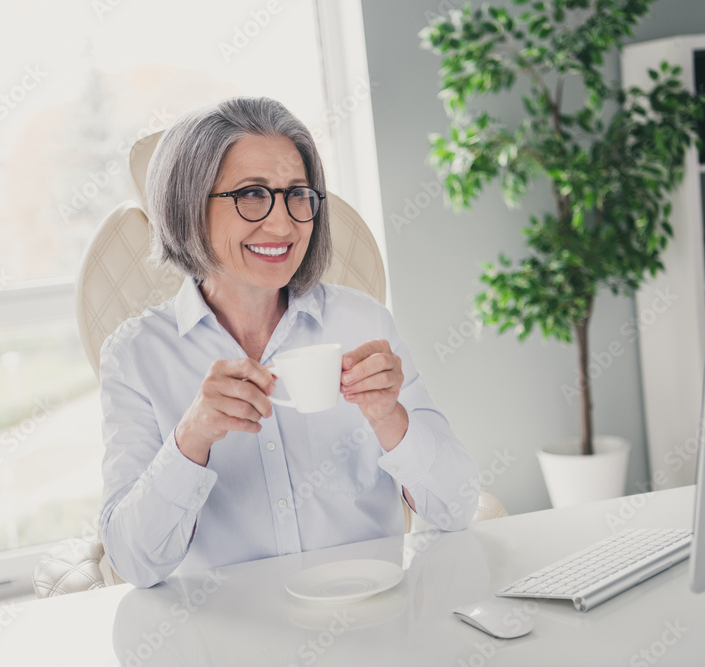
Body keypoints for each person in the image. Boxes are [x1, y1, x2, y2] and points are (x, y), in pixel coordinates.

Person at [99, 97, 480, 587]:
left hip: (371, 630)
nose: (283, 225)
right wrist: (191, 437)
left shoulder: (362, 322)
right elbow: (133, 564)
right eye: (252, 194)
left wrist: (390, 418)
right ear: (189, 205)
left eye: (298, 195)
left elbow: (459, 505)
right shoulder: (136, 357)